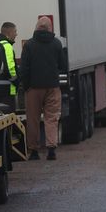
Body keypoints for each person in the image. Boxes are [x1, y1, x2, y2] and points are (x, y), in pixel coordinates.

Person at [18, 17, 65, 161]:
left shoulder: (29, 45)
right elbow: (62, 64)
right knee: (52, 118)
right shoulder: (56, 44)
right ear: (50, 28)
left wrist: (26, 86)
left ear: (36, 27)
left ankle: (33, 151)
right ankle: (51, 149)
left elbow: (24, 69)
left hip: (33, 88)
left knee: (33, 119)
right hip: (52, 87)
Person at [0, 22, 18, 111]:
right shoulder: (7, 46)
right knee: (9, 117)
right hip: (6, 90)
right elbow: (10, 68)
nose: (16, 34)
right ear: (9, 33)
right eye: (15, 31)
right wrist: (16, 81)